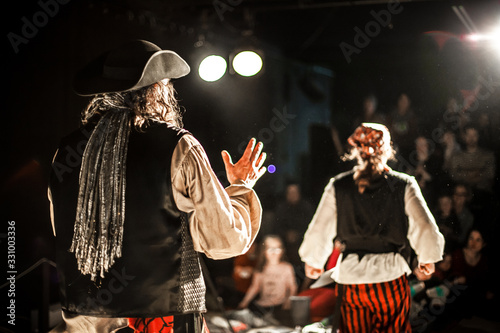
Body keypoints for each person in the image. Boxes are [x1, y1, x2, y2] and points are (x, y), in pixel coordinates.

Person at [47, 40, 267, 333]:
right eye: (166, 83)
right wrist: (240, 186)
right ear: (156, 91)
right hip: (163, 316)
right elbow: (222, 239)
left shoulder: (65, 152)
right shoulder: (178, 145)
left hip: (84, 316)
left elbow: (62, 229)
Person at [299, 123, 445, 332]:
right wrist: (428, 259)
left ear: (356, 150)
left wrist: (313, 260)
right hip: (390, 281)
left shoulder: (339, 186)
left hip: (351, 281)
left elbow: (320, 227)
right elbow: (424, 226)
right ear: (387, 150)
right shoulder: (404, 184)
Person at [237, 235, 298, 324]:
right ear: (264, 251)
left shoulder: (287, 268)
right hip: (262, 306)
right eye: (270, 249)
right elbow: (254, 288)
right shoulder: (260, 269)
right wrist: (244, 303)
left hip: (279, 306)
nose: (274, 253)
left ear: (282, 250)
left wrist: (288, 303)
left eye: (277, 248)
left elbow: (293, 287)